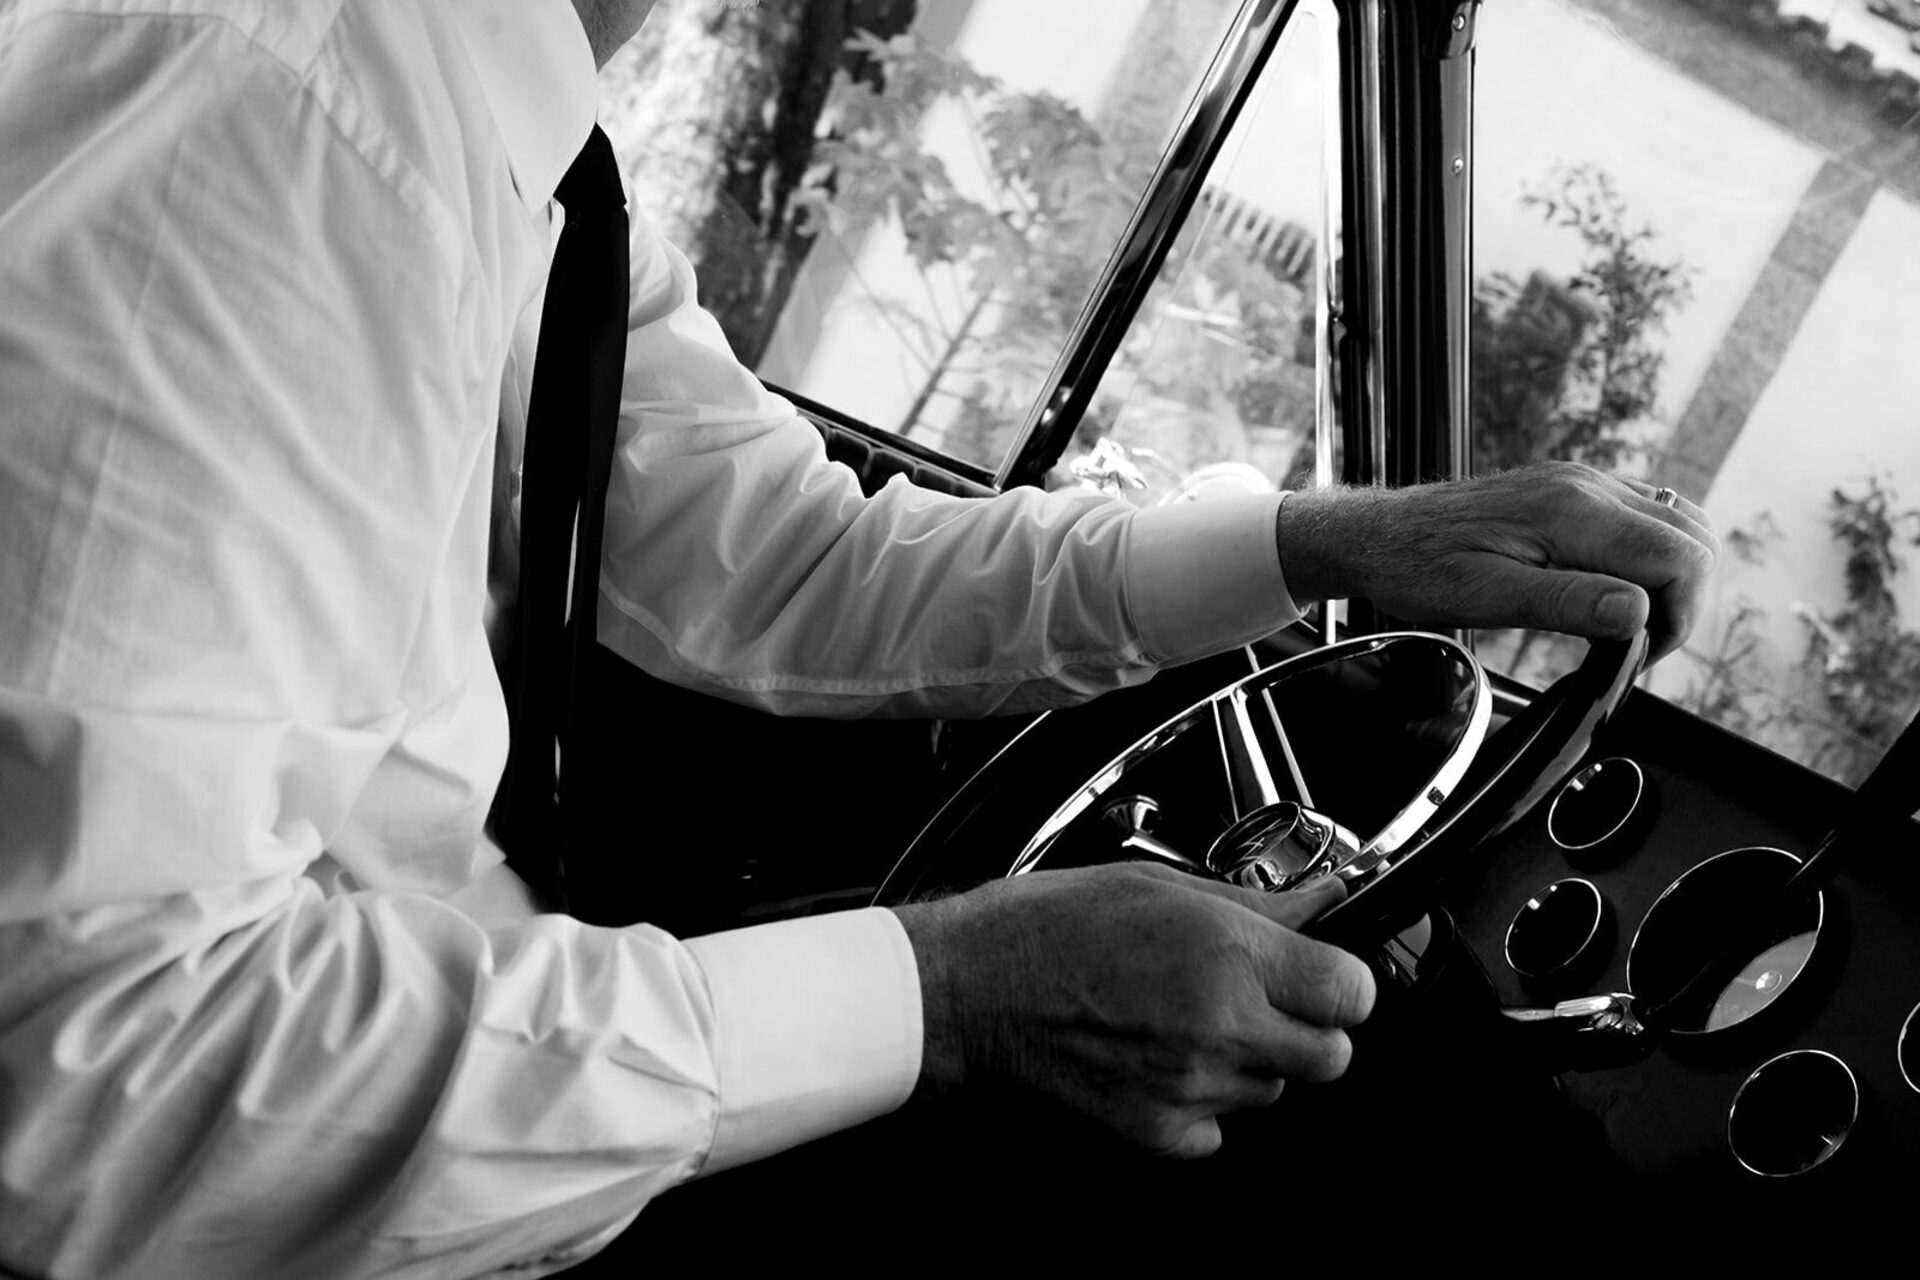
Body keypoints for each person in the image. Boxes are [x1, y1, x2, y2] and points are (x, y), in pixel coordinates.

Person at [0, 0, 1717, 1275]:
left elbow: (775, 554)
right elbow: (97, 1081)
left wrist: (1317, 547)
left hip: (455, 1084)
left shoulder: (480, 114)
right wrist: (955, 996)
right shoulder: (285, 109)